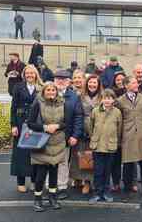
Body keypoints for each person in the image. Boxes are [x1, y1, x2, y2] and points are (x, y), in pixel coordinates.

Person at [27, 82, 67, 212]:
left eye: (53, 90)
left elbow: (67, 122)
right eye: (48, 90)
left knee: (54, 172)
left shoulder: (62, 103)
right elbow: (30, 123)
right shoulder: (38, 103)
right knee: (41, 174)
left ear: (56, 92)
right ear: (44, 92)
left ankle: (52, 197)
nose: (51, 92)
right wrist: (45, 127)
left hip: (57, 142)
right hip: (42, 143)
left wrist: (58, 126)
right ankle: (37, 200)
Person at [117, 76, 142, 198]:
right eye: (133, 83)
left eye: (136, 83)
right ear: (126, 85)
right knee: (128, 164)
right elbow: (119, 119)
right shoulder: (120, 101)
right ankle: (126, 190)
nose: (136, 84)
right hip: (128, 135)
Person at [10, 65, 43, 193]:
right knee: (20, 154)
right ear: (24, 74)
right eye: (27, 73)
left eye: (32, 73)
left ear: (36, 74)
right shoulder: (18, 87)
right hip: (20, 123)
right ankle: (21, 182)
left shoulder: (41, 87)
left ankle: (34, 181)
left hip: (35, 124)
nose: (30, 75)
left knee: (35, 153)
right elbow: (13, 107)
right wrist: (13, 125)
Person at [53, 70, 84, 200]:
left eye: (64, 79)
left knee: (63, 162)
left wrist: (75, 136)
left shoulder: (74, 96)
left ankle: (61, 187)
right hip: (49, 136)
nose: (61, 81)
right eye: (58, 79)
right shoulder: (47, 92)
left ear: (68, 82)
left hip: (66, 136)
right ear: (54, 80)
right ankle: (50, 187)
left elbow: (78, 117)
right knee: (49, 162)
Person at [88, 89, 122, 204]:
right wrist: (93, 138)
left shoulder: (117, 112)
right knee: (98, 172)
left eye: (110, 98)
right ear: (101, 99)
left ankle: (106, 192)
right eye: (105, 98)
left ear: (113, 100)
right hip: (97, 146)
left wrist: (116, 141)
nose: (107, 100)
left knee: (107, 171)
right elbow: (90, 127)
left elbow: (119, 129)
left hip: (110, 146)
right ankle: (97, 193)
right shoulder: (95, 111)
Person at [70, 74, 102, 195]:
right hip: (81, 128)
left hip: (95, 129)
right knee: (78, 154)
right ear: (86, 83)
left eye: (95, 83)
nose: (92, 85)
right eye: (90, 82)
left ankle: (88, 182)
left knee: (90, 157)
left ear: (98, 85)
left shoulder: (102, 97)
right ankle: (77, 178)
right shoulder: (79, 96)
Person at [111, 71, 126, 193]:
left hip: (128, 130)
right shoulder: (111, 93)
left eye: (122, 79)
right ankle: (116, 183)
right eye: (117, 79)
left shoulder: (130, 94)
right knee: (115, 159)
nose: (120, 81)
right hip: (115, 130)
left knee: (129, 159)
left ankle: (129, 182)